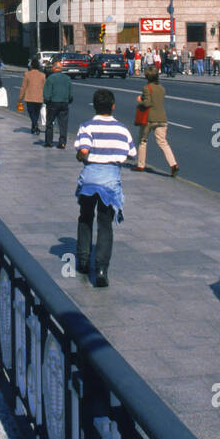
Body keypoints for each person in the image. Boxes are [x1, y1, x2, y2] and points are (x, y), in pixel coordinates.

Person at [74, 88, 137, 288]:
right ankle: (101, 269)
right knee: (104, 223)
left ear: (94, 106)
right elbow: (132, 153)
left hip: (90, 179)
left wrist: (81, 157)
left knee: (85, 217)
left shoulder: (86, 126)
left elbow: (83, 150)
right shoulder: (122, 129)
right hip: (110, 182)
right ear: (113, 106)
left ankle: (83, 261)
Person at [132, 66, 179, 176]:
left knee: (143, 141)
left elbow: (147, 103)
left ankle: (140, 165)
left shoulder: (147, 88)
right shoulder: (162, 88)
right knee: (163, 142)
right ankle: (173, 164)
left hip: (149, 119)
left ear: (147, 76)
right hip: (162, 118)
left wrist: (140, 101)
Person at [43, 60, 73, 149]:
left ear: (54, 68)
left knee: (49, 122)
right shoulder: (67, 78)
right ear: (61, 69)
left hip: (53, 103)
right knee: (63, 123)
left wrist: (46, 101)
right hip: (64, 103)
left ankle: (49, 142)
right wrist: (68, 100)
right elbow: (70, 94)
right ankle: (62, 142)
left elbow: (47, 94)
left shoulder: (50, 78)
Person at [18, 58, 46, 136]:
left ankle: (35, 126)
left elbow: (23, 87)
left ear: (31, 66)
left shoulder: (27, 74)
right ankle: (33, 127)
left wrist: (20, 98)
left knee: (31, 113)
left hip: (29, 97)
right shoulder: (43, 75)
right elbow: (44, 87)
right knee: (36, 113)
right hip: (39, 98)